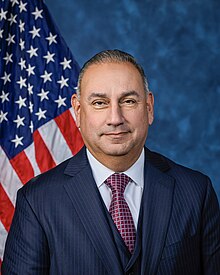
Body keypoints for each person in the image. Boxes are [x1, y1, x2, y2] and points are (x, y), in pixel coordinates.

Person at [2, 50, 220, 275]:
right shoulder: (37, 201)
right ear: (78, 111)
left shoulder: (196, 192)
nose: (115, 118)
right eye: (99, 103)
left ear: (149, 108)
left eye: (128, 101)